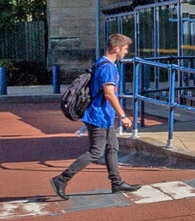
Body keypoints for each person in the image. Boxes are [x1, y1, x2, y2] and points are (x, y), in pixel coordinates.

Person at [53, 33, 140, 198]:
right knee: (96, 151)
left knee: (112, 148)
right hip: (98, 115)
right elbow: (109, 94)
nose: (126, 52)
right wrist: (123, 116)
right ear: (116, 48)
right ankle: (62, 179)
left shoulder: (100, 62)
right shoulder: (108, 67)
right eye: (125, 48)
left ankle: (117, 182)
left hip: (104, 116)